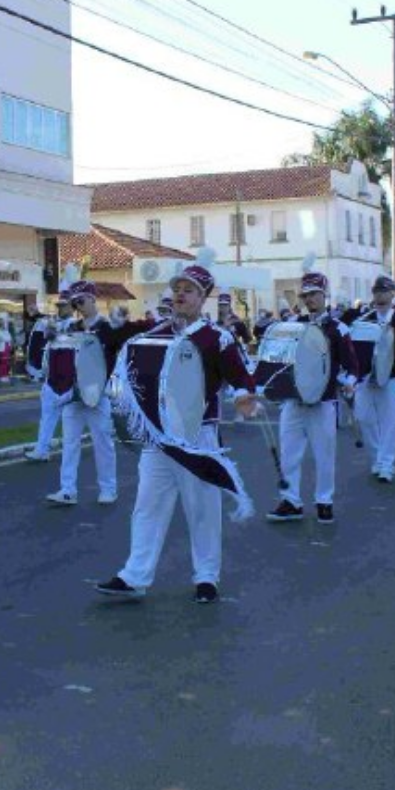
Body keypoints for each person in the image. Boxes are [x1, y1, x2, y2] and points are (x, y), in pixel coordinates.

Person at [94, 252, 261, 604]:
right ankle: (134, 576)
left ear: (202, 299)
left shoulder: (217, 338)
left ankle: (207, 577)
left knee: (202, 509)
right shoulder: (151, 335)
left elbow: (239, 376)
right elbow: (125, 368)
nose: (181, 295)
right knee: (147, 507)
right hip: (157, 438)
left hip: (198, 435)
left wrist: (245, 396)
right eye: (178, 289)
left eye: (189, 290)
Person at [44, 266, 152, 506]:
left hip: (98, 395)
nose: (77, 306)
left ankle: (108, 488)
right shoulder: (72, 328)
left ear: (92, 300)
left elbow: (135, 332)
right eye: (74, 303)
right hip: (73, 394)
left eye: (80, 301)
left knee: (102, 444)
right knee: (70, 444)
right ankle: (68, 489)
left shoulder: (108, 328)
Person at [266, 255, 359, 524]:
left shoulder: (338, 328)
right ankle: (291, 501)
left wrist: (350, 381)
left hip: (323, 400)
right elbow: (281, 358)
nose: (309, 300)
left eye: (314, 294)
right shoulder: (294, 326)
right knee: (289, 454)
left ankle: (324, 501)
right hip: (293, 401)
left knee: (324, 454)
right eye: (305, 295)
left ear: (324, 295)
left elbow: (352, 365)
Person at [343, 276, 395, 483]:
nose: (380, 296)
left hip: (390, 379)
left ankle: (386, 464)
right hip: (365, 379)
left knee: (389, 423)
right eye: (376, 292)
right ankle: (377, 458)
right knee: (364, 418)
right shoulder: (362, 321)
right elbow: (350, 349)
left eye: (384, 292)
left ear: (392, 295)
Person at [24, 293, 73, 463]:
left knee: (72, 423)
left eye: (64, 306)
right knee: (47, 417)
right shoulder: (52, 323)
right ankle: (41, 450)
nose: (60, 309)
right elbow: (46, 332)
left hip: (70, 382)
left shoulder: (75, 325)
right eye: (59, 306)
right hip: (52, 379)